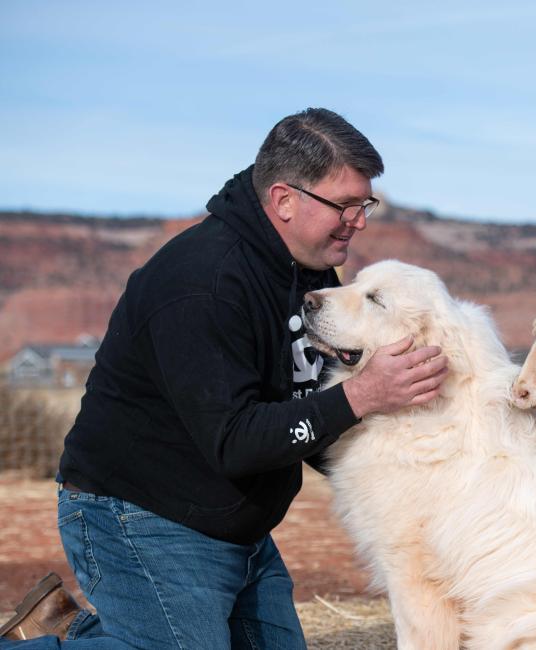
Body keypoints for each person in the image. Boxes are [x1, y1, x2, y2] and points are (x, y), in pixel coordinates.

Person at [0, 108, 448, 649]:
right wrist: (362, 395)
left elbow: (304, 408)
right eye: (346, 205)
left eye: (365, 204)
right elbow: (235, 441)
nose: (360, 220)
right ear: (284, 200)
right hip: (138, 515)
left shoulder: (306, 273)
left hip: (236, 526)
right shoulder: (204, 283)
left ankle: (70, 628)